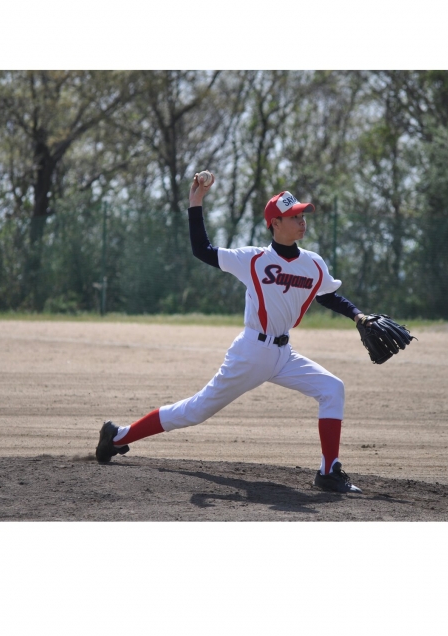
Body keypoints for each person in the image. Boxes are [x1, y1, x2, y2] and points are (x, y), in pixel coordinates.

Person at [96, 172, 369, 494]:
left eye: (302, 215)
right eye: (294, 216)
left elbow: (327, 295)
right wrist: (196, 203)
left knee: (332, 389)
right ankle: (118, 435)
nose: (302, 221)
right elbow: (202, 250)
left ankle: (329, 472)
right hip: (252, 352)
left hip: (284, 355)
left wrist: (358, 316)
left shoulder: (314, 263)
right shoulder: (253, 259)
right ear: (275, 223)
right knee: (196, 410)